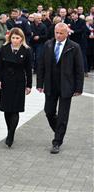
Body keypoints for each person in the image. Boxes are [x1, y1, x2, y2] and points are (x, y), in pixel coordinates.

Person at [37, 22, 84, 154]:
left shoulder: (74, 47)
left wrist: (78, 88)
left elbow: (79, 69)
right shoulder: (48, 45)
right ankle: (59, 130)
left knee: (63, 115)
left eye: (61, 33)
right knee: (49, 111)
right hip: (51, 84)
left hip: (66, 86)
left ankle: (57, 141)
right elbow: (41, 65)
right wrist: (40, 84)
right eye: (56, 33)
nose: (58, 35)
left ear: (67, 33)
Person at [0, 28, 32, 148]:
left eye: (17, 38)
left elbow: (29, 70)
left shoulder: (26, 50)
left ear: (22, 38)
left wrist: (29, 85)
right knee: (6, 109)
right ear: (9, 38)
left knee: (15, 109)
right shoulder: (4, 48)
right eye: (13, 37)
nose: (15, 40)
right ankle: (9, 130)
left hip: (19, 82)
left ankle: (11, 134)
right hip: (6, 82)